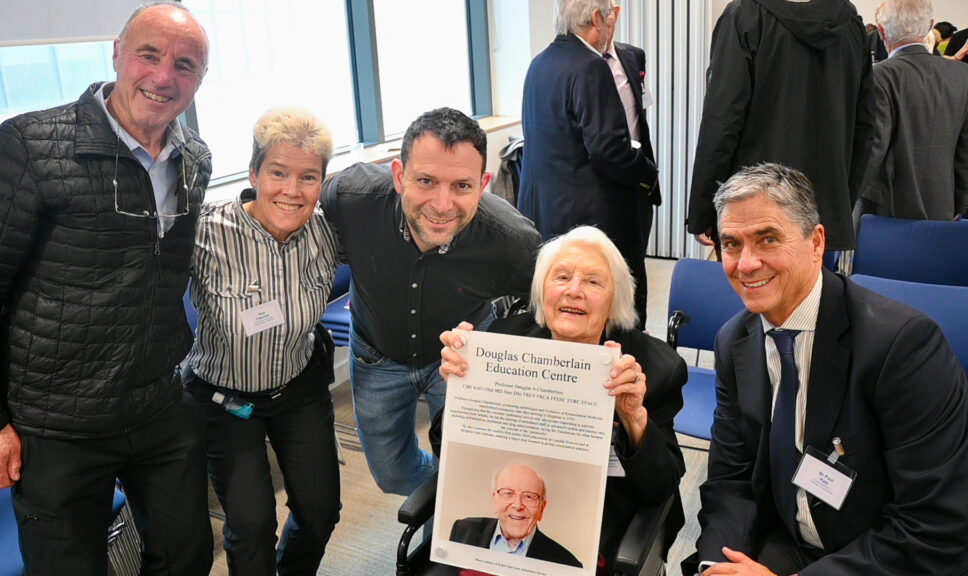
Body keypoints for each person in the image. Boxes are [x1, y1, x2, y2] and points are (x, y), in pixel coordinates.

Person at [0, 2, 213, 574]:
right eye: (148, 54)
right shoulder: (26, 148)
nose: (164, 76)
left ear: (199, 80)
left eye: (185, 65)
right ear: (116, 53)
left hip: (157, 407)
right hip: (55, 424)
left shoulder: (194, 157)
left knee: (187, 556)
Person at [686, 164, 968, 575]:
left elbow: (934, 528)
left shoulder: (902, 348)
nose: (746, 264)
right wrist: (717, 564)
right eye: (731, 244)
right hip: (790, 539)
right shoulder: (736, 342)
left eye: (768, 239)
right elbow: (733, 480)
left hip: (877, 556)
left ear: (816, 243)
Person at [319, 108, 542, 496]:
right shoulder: (351, 196)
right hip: (376, 354)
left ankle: (447, 513)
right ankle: (440, 498)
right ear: (398, 175)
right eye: (425, 181)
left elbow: (554, 304)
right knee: (392, 475)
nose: (442, 205)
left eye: (461, 186)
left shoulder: (511, 239)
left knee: (465, 468)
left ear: (483, 184)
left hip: (463, 359)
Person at [439, 225, 687, 568]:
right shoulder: (504, 341)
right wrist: (460, 391)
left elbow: (662, 488)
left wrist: (633, 417)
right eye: (562, 277)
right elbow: (445, 448)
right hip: (501, 537)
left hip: (598, 529)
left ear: (616, 300)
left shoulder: (656, 369)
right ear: (542, 291)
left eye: (593, 282)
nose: (574, 291)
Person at [182, 107, 341, 575]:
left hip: (298, 388)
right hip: (224, 399)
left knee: (319, 512)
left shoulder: (329, 233)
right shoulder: (205, 232)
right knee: (250, 527)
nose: (292, 191)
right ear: (253, 173)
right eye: (278, 173)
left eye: (308, 177)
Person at [687, 0, 874, 252]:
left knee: (753, 289)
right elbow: (865, 129)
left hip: (754, 211)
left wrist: (703, 210)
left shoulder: (744, 17)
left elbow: (722, 122)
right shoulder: (851, 23)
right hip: (824, 215)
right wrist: (842, 203)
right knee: (816, 291)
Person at [519, 0, 659, 329]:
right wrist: (647, 176)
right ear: (598, 18)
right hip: (596, 219)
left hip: (547, 214)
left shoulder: (539, 63)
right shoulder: (591, 66)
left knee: (561, 307)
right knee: (616, 312)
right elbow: (608, 148)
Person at [858, 0, 968, 222]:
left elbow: (872, 151)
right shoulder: (962, 75)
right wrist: (959, 201)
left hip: (883, 213)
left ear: (881, 31)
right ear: (930, 26)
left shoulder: (878, 77)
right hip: (943, 209)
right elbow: (965, 150)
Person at [449, 463, 583, 568]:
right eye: (508, 493)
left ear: (541, 509)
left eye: (529, 497)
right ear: (495, 500)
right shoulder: (463, 530)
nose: (518, 505)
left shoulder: (566, 563)